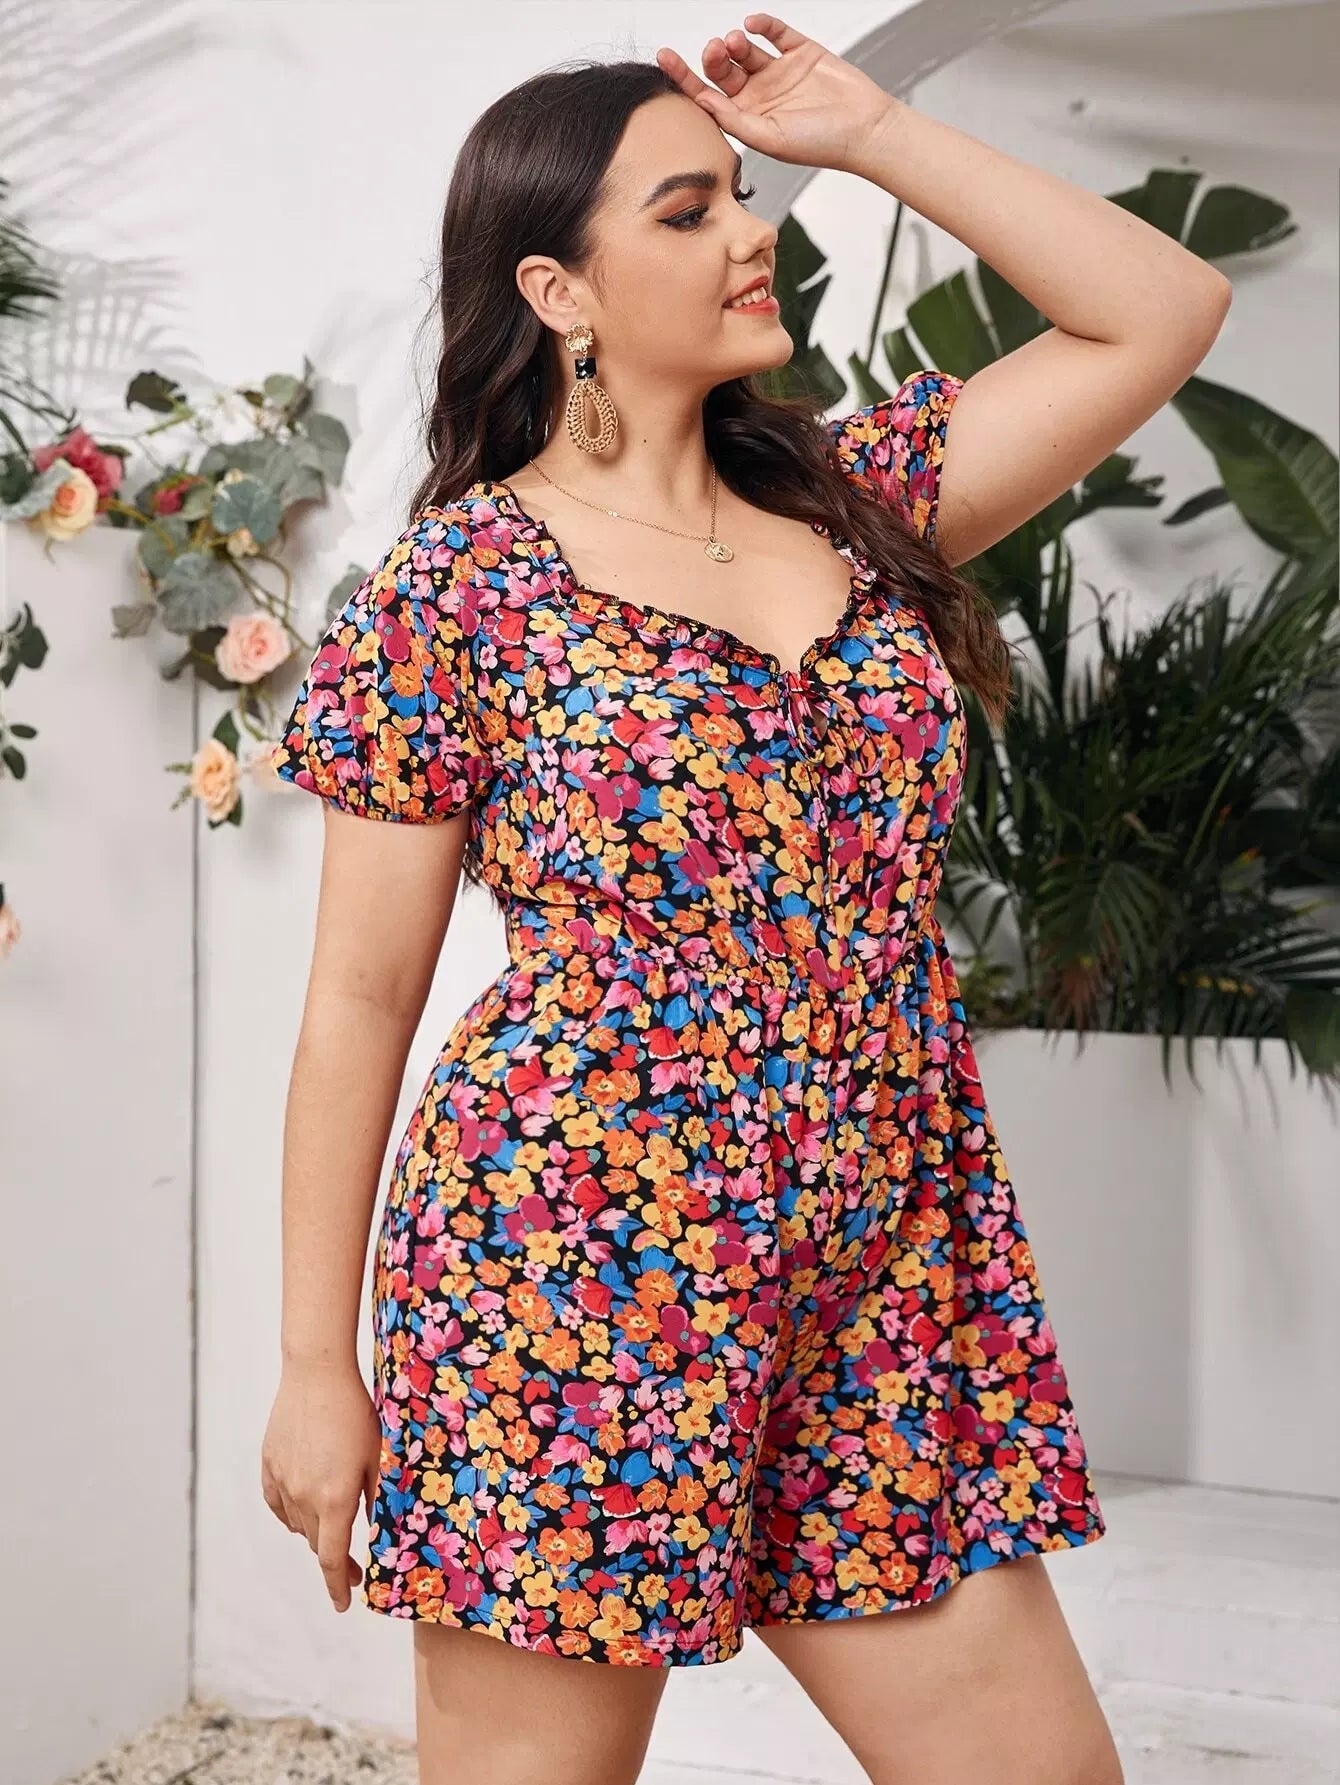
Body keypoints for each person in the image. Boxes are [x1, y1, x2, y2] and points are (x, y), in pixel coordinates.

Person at [261, 16, 1229, 1784]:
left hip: (887, 1266)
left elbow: (1163, 308)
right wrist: (316, 1365)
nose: (749, 232)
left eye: (744, 194)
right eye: (689, 209)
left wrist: (865, 129)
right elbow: (358, 999)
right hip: (572, 1267)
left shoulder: (865, 509)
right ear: (558, 291)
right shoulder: (452, 590)